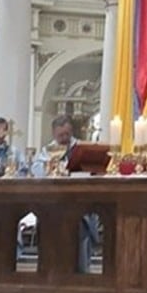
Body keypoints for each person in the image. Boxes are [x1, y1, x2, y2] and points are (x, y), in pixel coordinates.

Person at [31, 115, 98, 273]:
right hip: (53, 204)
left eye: (67, 134)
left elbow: (91, 168)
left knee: (80, 236)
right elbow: (37, 170)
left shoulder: (81, 148)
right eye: (60, 135)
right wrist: (51, 167)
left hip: (78, 201)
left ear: (71, 131)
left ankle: (81, 272)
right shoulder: (47, 151)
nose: (64, 138)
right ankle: (51, 271)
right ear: (54, 134)